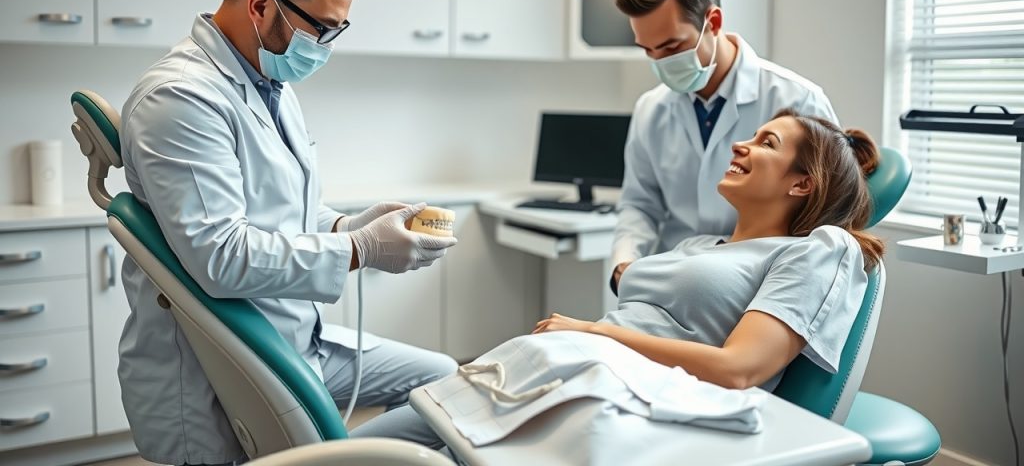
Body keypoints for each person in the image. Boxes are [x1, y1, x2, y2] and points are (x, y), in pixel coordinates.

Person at [118, 0, 457, 466]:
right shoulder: (180, 99)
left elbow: (281, 209)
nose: (325, 46)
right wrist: (361, 250)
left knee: (445, 383)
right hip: (227, 365)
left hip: (292, 334)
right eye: (321, 28)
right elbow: (220, 257)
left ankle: (343, 453)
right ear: (260, 6)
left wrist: (348, 226)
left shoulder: (268, 82)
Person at [371, 109, 885, 447]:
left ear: (802, 183)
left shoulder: (817, 250)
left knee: (406, 450)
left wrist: (594, 332)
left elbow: (738, 370)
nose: (740, 146)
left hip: (631, 394)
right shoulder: (701, 245)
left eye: (765, 142)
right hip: (576, 365)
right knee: (381, 443)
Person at [610, 0, 840, 293]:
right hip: (673, 281)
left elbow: (827, 218)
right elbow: (639, 203)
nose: (661, 62)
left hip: (760, 286)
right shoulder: (651, 108)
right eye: (648, 51)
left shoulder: (797, 100)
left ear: (713, 22)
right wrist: (624, 263)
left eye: (672, 46)